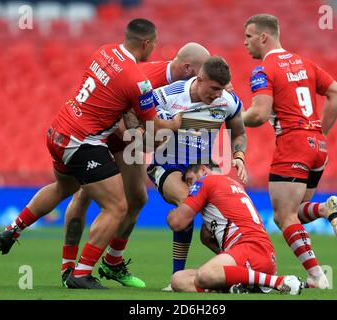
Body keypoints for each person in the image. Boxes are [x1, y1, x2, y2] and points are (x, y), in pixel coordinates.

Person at [0, 18, 181, 289]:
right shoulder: (137, 80)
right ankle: (80, 274)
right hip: (82, 143)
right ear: (147, 43)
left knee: (63, 187)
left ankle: (14, 229)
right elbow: (155, 127)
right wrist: (176, 122)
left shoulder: (103, 51)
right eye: (154, 45)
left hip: (59, 130)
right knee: (117, 207)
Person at [60, 43, 211, 288]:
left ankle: (111, 261)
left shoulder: (185, 88)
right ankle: (70, 268)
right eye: (201, 75)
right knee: (84, 197)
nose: (202, 80)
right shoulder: (148, 78)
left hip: (128, 143)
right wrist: (139, 133)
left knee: (137, 198)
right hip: (103, 134)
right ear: (187, 68)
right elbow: (123, 107)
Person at [241, 14, 337, 289]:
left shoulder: (264, 70)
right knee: (296, 212)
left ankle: (316, 276)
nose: (245, 43)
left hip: (293, 145)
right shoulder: (305, 62)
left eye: (249, 37)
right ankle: (326, 209)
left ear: (264, 37)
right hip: (318, 148)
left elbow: (258, 114)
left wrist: (230, 116)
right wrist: (320, 131)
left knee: (282, 216)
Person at [147, 56, 247, 291]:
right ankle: (177, 279)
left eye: (221, 90)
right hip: (166, 164)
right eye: (213, 89)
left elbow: (239, 132)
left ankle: (241, 269)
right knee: (187, 205)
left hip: (200, 168)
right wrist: (161, 127)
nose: (217, 95)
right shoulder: (168, 95)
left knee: (215, 226)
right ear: (199, 80)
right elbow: (139, 116)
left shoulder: (227, 101)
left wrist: (239, 156)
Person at [167, 162, 302, 295]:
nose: (190, 187)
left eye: (190, 180)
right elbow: (206, 236)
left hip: (250, 247)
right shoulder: (233, 184)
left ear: (203, 170)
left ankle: (278, 281)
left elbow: (177, 223)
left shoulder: (206, 181)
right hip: (260, 252)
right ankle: (237, 287)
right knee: (178, 280)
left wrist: (172, 213)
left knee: (205, 274)